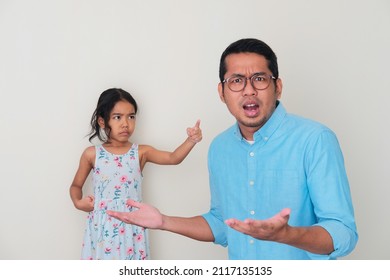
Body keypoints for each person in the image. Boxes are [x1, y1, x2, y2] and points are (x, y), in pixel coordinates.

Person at [107, 39, 358, 260]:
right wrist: (164, 222)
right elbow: (222, 225)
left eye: (259, 79)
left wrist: (288, 235)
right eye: (236, 81)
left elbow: (342, 233)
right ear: (222, 92)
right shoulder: (219, 147)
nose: (249, 90)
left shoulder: (315, 139)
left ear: (277, 86)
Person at [69, 88, 202, 260]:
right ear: (102, 121)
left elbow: (173, 158)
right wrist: (78, 203)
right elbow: (75, 186)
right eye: (117, 117)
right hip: (102, 228)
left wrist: (191, 140)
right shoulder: (91, 154)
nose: (126, 124)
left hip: (133, 225)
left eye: (131, 116)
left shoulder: (140, 152)